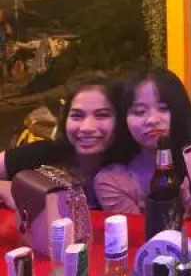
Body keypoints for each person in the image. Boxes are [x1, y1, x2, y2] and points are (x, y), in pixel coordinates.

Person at [94, 69, 191, 217]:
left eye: (163, 108)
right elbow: (135, 231)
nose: (152, 120)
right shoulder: (112, 180)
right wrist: (188, 215)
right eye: (139, 111)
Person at [0, 77, 127, 208]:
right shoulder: (44, 153)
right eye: (77, 115)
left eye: (102, 115)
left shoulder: (132, 169)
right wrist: (4, 188)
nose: (86, 128)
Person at [0, 8, 13, 77]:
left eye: (1, 15)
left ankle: (5, 77)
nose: (1, 16)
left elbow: (9, 34)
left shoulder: (4, 25)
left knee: (4, 64)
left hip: (3, 49)